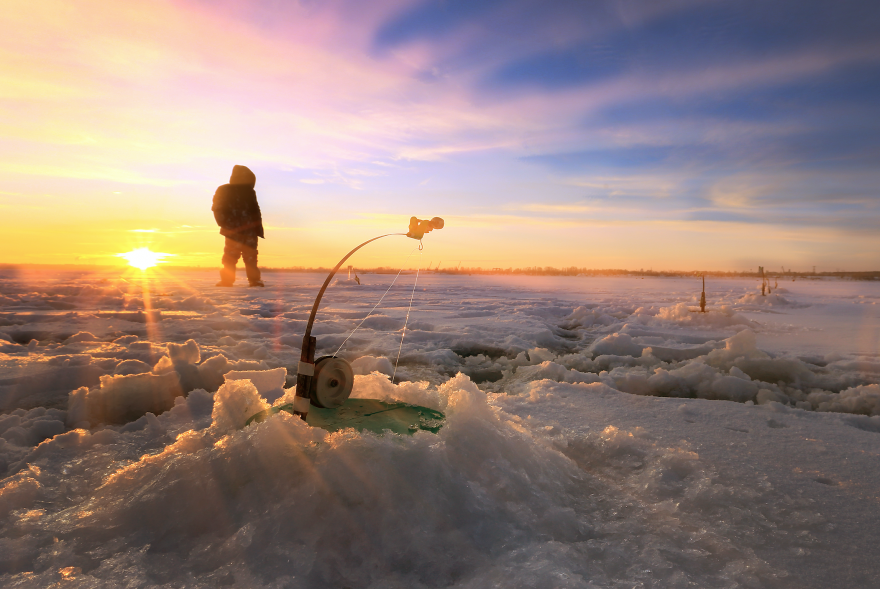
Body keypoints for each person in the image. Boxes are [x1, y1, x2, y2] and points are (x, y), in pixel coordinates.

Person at [212, 165, 265, 287]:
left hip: (250, 230)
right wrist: (225, 223)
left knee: (251, 256)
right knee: (230, 255)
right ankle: (227, 280)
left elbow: (255, 210)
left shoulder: (250, 192)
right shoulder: (224, 190)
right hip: (233, 230)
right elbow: (217, 208)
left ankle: (254, 280)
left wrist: (258, 228)